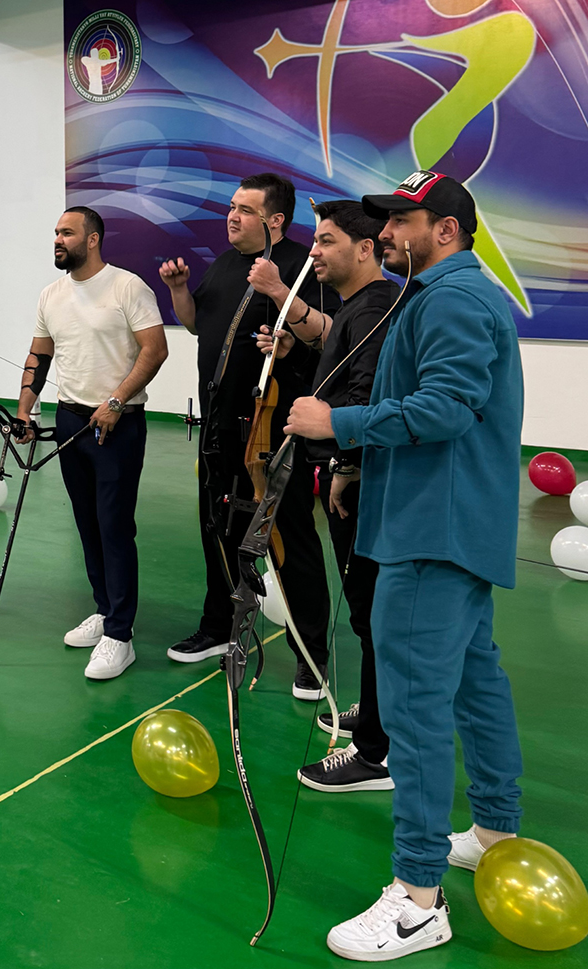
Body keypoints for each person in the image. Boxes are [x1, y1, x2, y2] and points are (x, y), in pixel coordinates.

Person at [287, 171, 524, 960]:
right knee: (474, 679)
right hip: (444, 520)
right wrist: (358, 466)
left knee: (418, 708)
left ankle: (419, 898)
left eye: (400, 221)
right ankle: (493, 828)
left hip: (432, 531)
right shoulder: (445, 294)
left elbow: (448, 406)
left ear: (445, 231)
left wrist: (337, 420)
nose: (385, 233)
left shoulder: (451, 299)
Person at [158, 172, 333, 700]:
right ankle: (218, 627)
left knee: (290, 540)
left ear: (275, 220)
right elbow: (196, 325)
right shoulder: (228, 263)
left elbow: (325, 344)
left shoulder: (303, 269)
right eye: (232, 206)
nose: (232, 216)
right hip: (218, 430)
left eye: (245, 209)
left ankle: (311, 655)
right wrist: (179, 290)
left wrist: (286, 343)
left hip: (273, 435)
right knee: (218, 528)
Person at [257, 200, 398, 792]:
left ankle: (376, 752)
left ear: (364, 249)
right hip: (353, 478)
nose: (313, 250)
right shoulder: (357, 307)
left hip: (360, 485)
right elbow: (341, 362)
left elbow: (363, 394)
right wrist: (295, 348)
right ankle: (378, 715)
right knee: (368, 614)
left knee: (370, 614)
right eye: (314, 239)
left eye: (328, 240)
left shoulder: (379, 305)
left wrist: (345, 466)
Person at [16, 206, 167, 680]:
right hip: (69, 421)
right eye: (55, 232)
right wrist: (24, 406)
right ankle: (105, 610)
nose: (57, 239)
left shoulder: (127, 287)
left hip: (117, 424)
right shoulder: (52, 294)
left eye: (67, 232)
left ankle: (120, 637)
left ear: (93, 239)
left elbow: (155, 348)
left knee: (114, 527)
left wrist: (118, 400)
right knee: (87, 523)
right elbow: (40, 354)